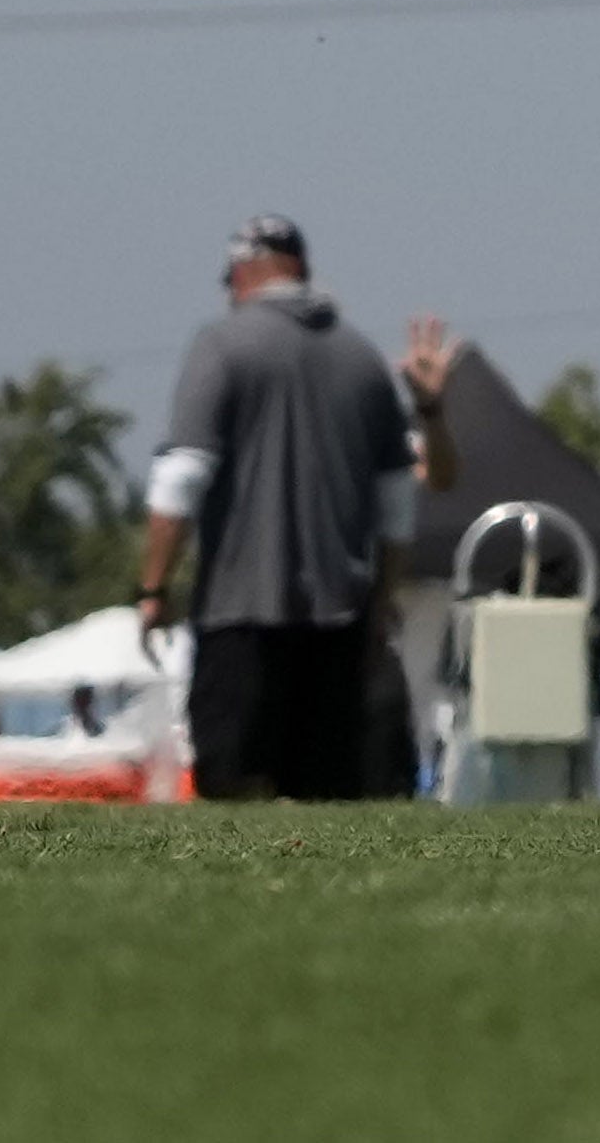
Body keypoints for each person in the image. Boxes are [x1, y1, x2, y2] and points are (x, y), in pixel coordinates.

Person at [138, 218, 436, 803]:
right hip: (342, 625)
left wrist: (152, 586)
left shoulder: (221, 344)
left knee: (237, 793)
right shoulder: (363, 357)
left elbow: (182, 476)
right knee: (327, 805)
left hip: (240, 618)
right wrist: (382, 599)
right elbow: (397, 503)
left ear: (244, 274)